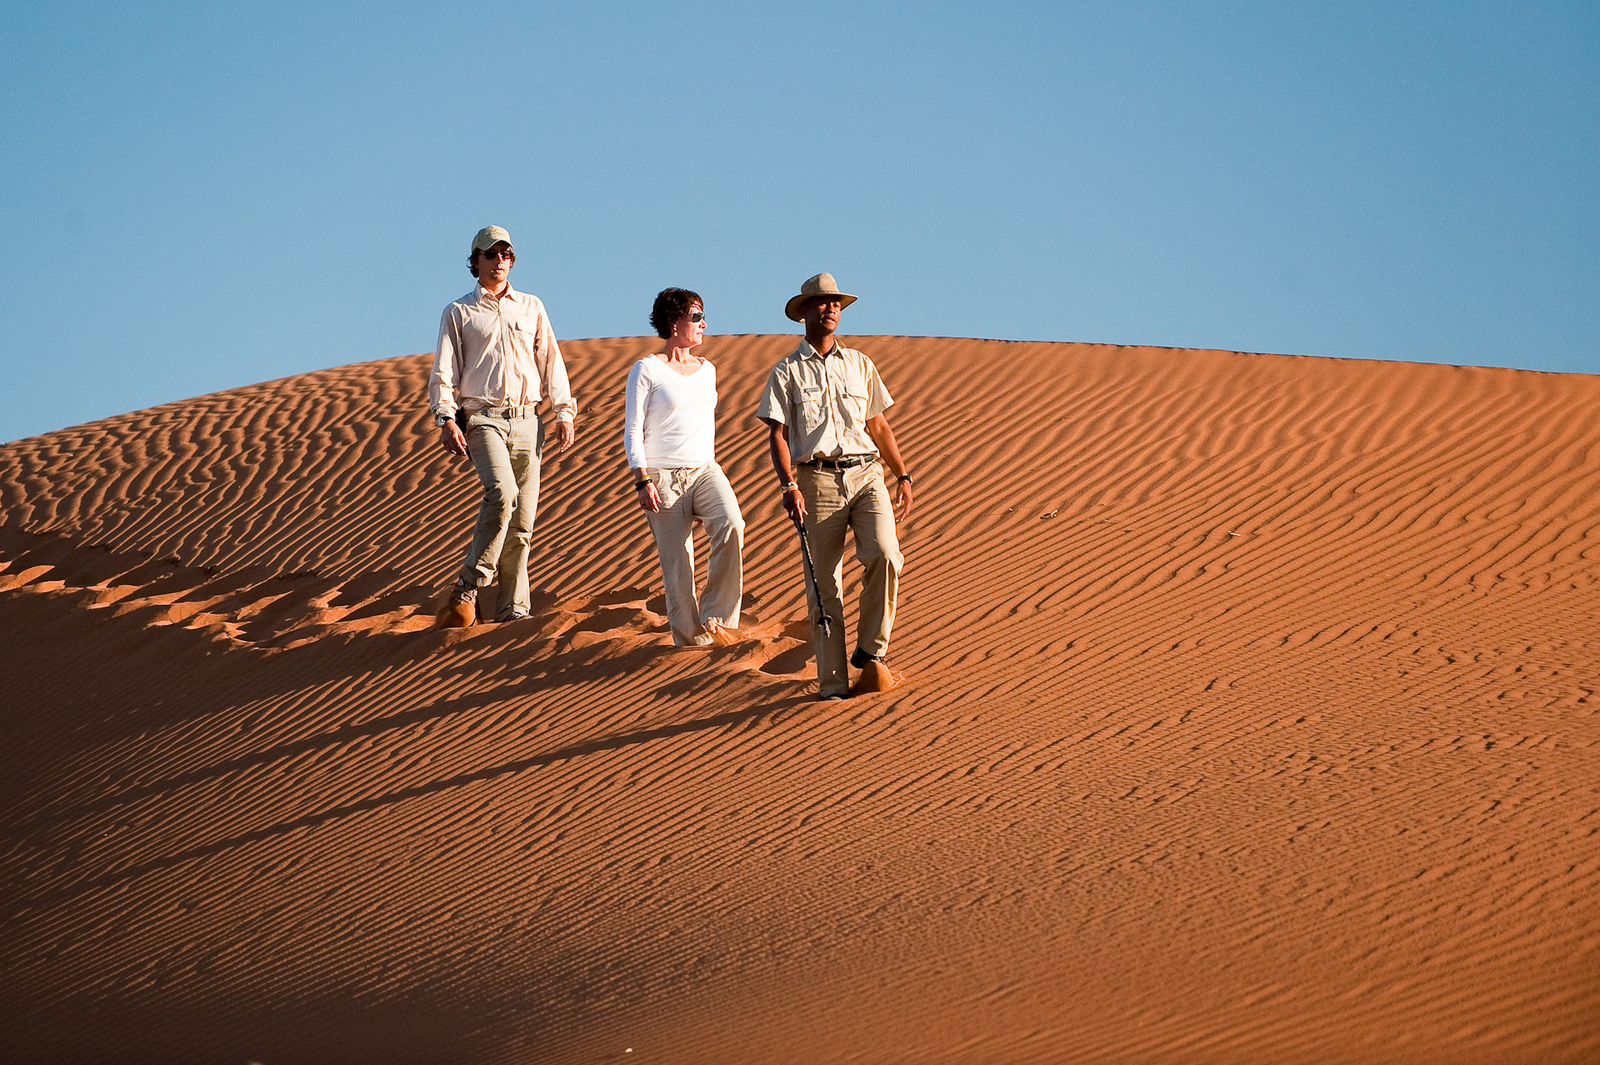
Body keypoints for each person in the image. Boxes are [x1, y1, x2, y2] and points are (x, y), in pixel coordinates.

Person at [756, 272, 914, 699]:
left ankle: (870, 650)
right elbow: (777, 434)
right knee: (823, 584)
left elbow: (879, 424)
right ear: (804, 311)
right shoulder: (786, 371)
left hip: (867, 474)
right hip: (816, 480)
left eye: (836, 303)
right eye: (823, 302)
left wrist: (903, 475)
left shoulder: (860, 363)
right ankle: (832, 687)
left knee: (885, 554)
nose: (831, 309)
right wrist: (788, 486)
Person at [428, 225, 577, 627]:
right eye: (490, 254)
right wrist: (445, 418)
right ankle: (468, 586)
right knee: (503, 495)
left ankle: (514, 611)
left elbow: (551, 360)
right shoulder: (459, 312)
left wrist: (564, 411)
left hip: (528, 420)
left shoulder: (531, 306)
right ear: (475, 261)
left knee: (523, 521)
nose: (499, 261)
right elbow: (444, 371)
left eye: (506, 254)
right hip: (482, 419)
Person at [624, 289, 745, 646]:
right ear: (674, 322)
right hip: (661, 476)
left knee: (731, 524)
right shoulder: (646, 369)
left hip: (704, 469)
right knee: (678, 563)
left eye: (702, 316)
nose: (703, 324)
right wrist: (642, 479)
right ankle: (689, 641)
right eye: (695, 317)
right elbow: (633, 428)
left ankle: (717, 617)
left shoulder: (708, 370)